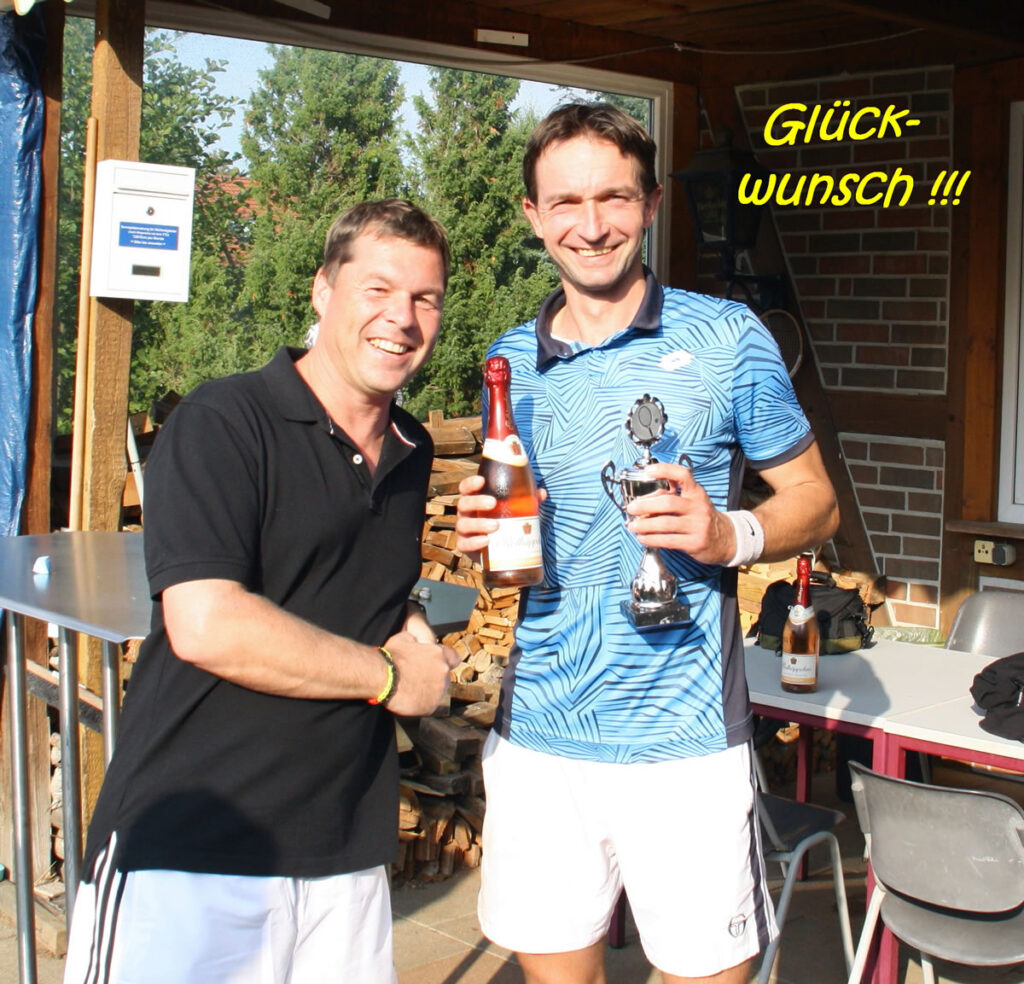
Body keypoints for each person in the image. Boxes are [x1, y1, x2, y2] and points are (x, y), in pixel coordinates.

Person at [455, 104, 840, 984]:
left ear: (653, 203)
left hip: (686, 744)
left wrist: (730, 532)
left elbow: (817, 503)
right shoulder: (510, 365)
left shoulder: (727, 338)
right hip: (542, 739)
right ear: (532, 215)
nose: (591, 226)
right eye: (566, 202)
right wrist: (484, 540)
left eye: (614, 198)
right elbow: (519, 547)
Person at [64, 198, 461, 984]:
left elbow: (341, 573)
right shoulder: (226, 420)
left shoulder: (411, 448)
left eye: (426, 298)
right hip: (194, 850)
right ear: (323, 289)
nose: (403, 318)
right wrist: (392, 677)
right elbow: (207, 622)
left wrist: (409, 613)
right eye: (378, 290)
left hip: (343, 852)